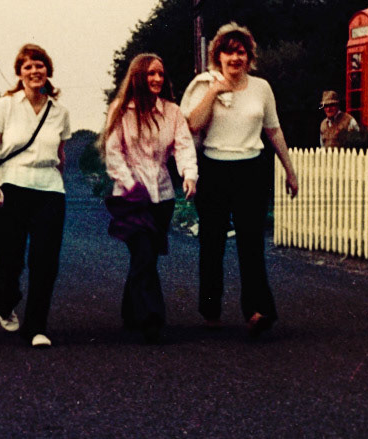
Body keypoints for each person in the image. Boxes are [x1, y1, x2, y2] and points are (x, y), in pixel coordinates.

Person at [181, 22, 298, 337]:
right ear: (217, 56)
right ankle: (210, 309)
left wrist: (289, 169)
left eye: (241, 52)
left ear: (250, 57)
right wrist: (214, 92)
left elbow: (273, 129)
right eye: (229, 53)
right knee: (212, 244)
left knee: (251, 244)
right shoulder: (203, 85)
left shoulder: (262, 88)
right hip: (214, 168)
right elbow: (192, 124)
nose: (235, 59)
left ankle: (258, 311)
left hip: (251, 169)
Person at [0, 44, 72, 348]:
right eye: (28, 66)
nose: (35, 71)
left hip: (48, 189)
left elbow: (60, 154)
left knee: (46, 260)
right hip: (10, 187)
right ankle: (5, 303)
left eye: (40, 65)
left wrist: (61, 181)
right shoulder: (4, 106)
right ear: (19, 73)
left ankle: (36, 327)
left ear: (48, 70)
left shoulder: (59, 112)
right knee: (10, 258)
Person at [103, 53, 197, 342]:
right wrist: (132, 185)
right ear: (138, 77)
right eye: (150, 74)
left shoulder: (172, 112)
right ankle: (152, 318)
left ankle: (130, 311)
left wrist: (189, 174)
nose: (157, 79)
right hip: (131, 196)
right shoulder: (120, 109)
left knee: (148, 256)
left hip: (163, 195)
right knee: (142, 253)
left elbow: (183, 146)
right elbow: (113, 152)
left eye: (160, 74)